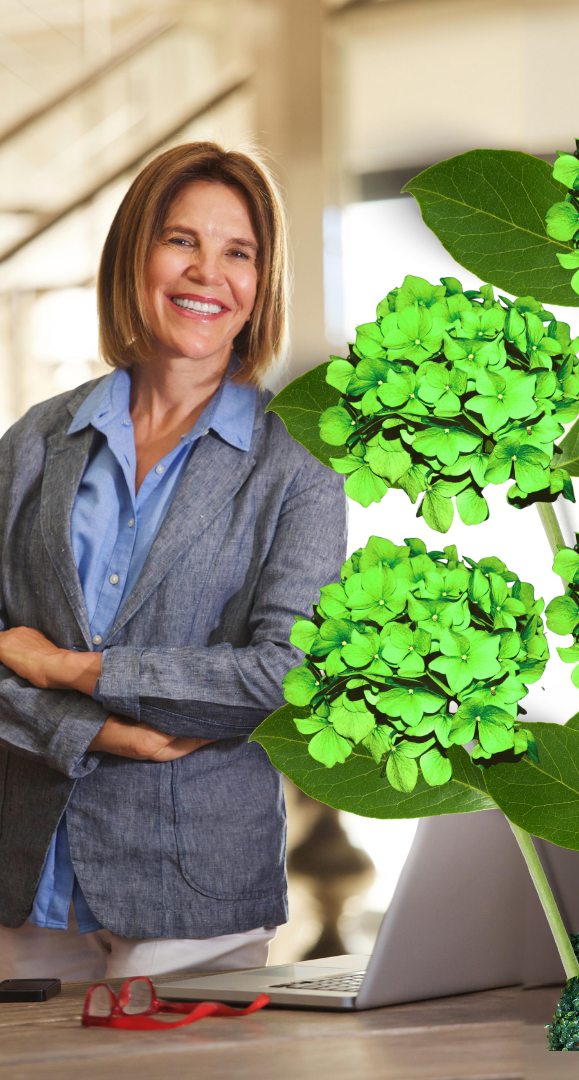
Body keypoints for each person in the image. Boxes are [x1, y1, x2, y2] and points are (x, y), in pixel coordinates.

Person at [0, 142, 346, 979]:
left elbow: (286, 674)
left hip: (194, 898)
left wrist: (76, 669)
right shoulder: (36, 440)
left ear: (262, 283)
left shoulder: (298, 463)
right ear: (136, 255)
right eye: (181, 240)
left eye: (240, 253)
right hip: (20, 882)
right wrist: (96, 729)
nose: (207, 273)